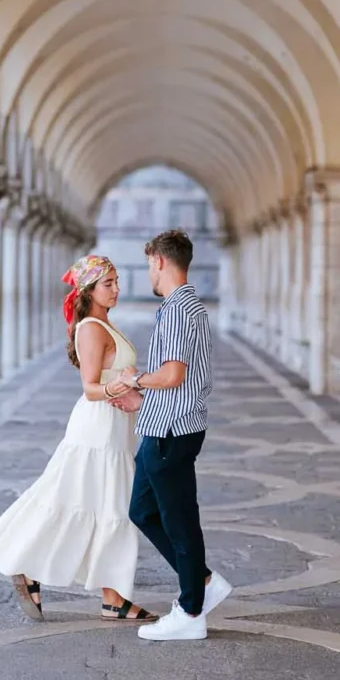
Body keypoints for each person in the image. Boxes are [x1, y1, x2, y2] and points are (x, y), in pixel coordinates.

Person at [0, 254, 155, 623]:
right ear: (89, 290)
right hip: (97, 429)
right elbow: (91, 389)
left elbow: (109, 377)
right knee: (94, 502)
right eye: (108, 284)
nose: (117, 289)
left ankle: (112, 597)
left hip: (114, 427)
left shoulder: (106, 323)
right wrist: (122, 385)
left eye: (117, 281)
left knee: (105, 505)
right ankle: (99, 592)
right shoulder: (92, 327)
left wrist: (126, 382)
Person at [121, 229, 232, 642]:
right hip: (161, 422)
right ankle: (201, 582)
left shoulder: (181, 309)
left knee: (180, 519)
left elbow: (172, 375)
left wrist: (138, 380)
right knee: (143, 511)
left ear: (162, 262)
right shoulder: (177, 307)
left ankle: (190, 611)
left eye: (150, 263)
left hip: (173, 429)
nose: (149, 271)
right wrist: (141, 401)